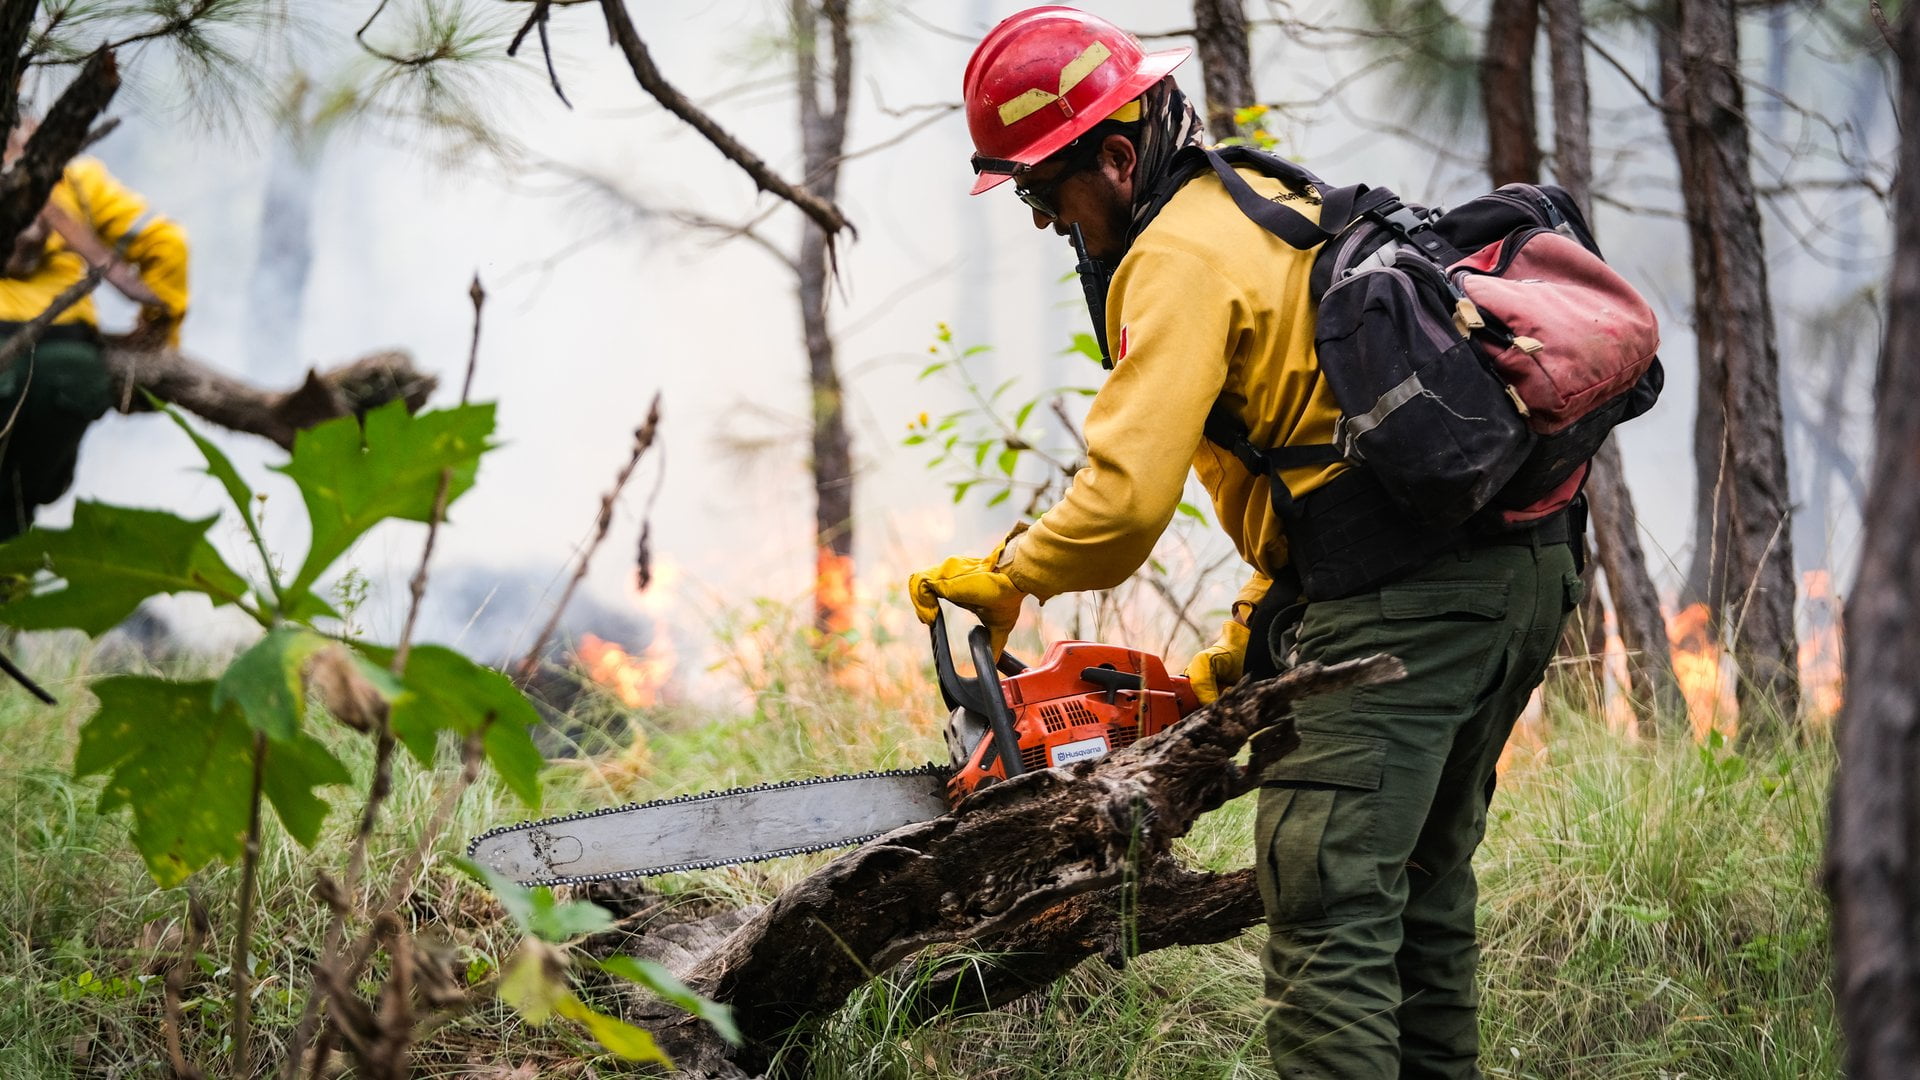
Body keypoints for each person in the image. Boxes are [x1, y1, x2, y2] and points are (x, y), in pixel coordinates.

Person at [908, 8, 1583, 1079]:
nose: (1041, 220)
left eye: (1042, 191)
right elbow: (1312, 476)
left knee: (1328, 910)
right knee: (1416, 899)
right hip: (1514, 574)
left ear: (1117, 157)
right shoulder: (1264, 203)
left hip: (1413, 604)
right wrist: (1242, 655)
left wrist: (1008, 578)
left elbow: (1125, 507)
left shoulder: (1172, 255)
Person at [0, 120, 189, 541]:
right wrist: (159, 335)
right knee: (18, 509)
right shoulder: (77, 178)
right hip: (69, 366)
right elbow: (169, 243)